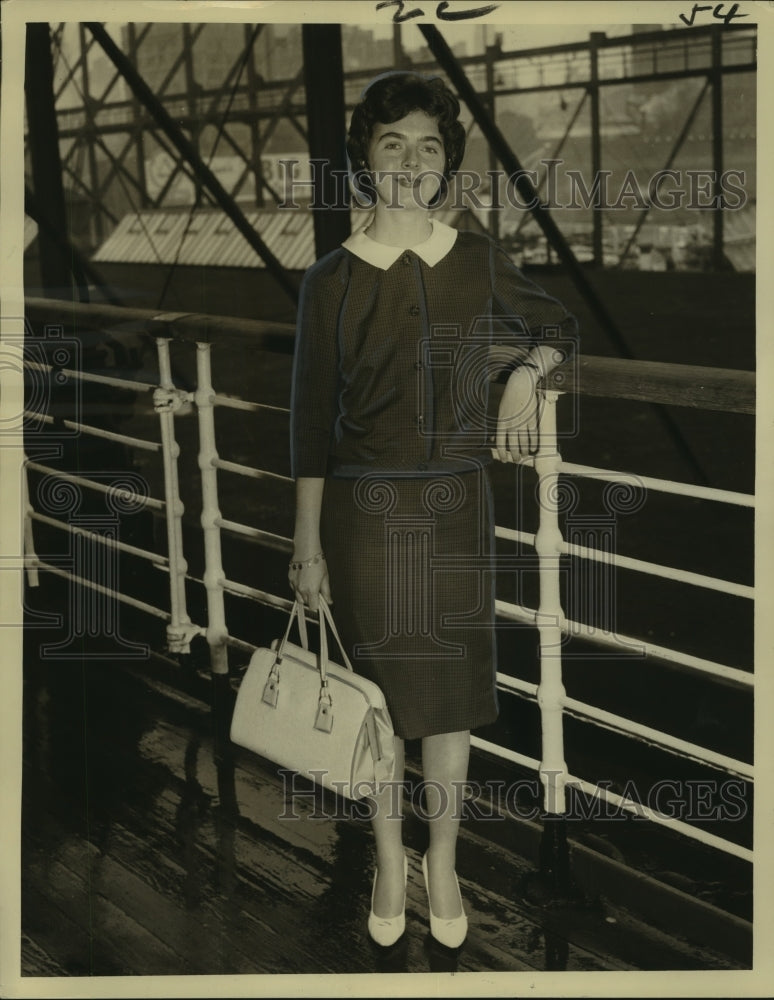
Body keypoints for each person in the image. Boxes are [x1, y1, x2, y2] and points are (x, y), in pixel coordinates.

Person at [288, 71, 577, 949]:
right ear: (365, 163)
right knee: (378, 701)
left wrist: (528, 374)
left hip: (456, 505)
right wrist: (307, 546)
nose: (410, 161)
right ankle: (386, 855)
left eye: (428, 146)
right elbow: (308, 427)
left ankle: (441, 859)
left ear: (446, 161)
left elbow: (559, 322)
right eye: (391, 145)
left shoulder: (477, 257)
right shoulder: (329, 281)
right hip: (360, 513)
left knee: (448, 701)